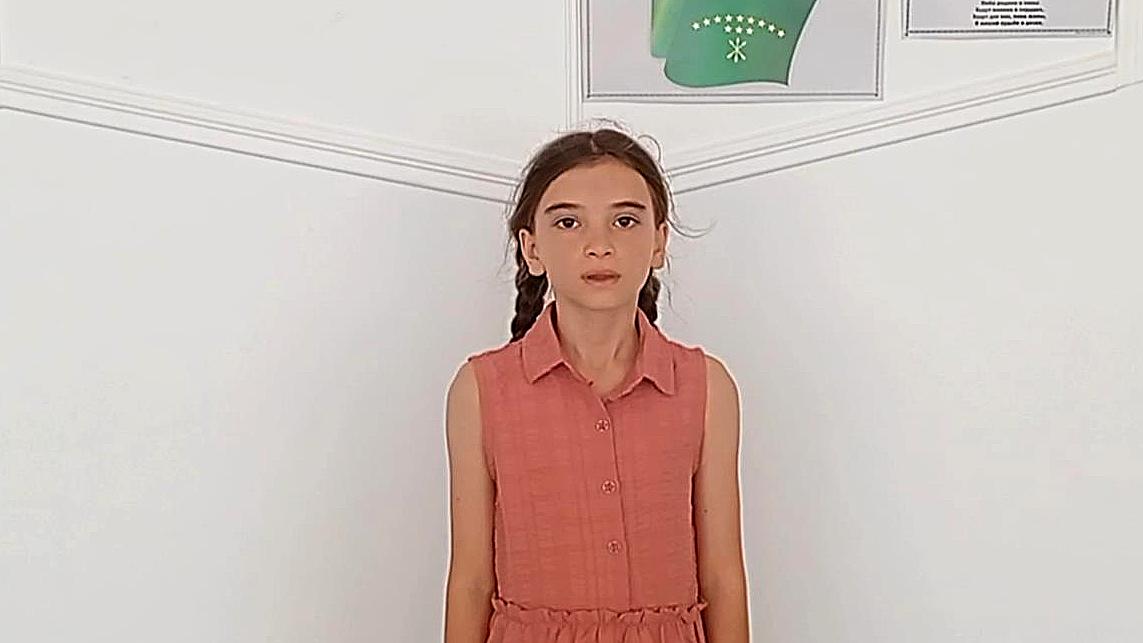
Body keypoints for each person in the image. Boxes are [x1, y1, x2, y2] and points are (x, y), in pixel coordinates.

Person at [443, 125, 750, 642]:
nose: (599, 245)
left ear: (659, 242)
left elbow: (723, 579)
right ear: (532, 249)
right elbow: (471, 582)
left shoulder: (706, 387)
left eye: (624, 221)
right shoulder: (480, 390)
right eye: (568, 222)